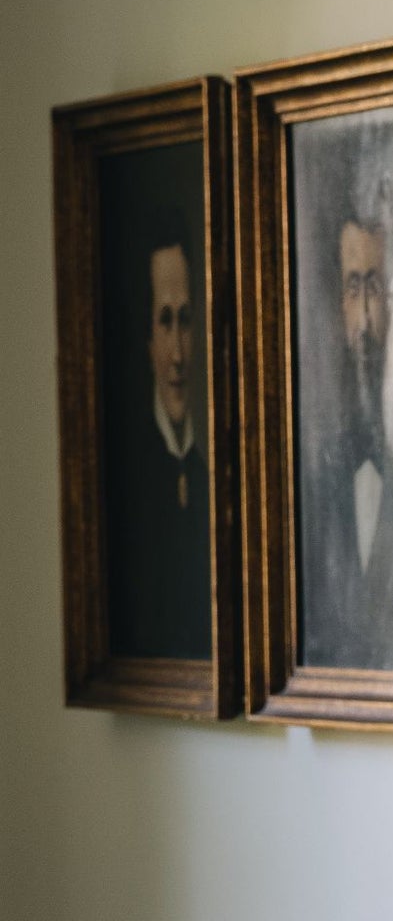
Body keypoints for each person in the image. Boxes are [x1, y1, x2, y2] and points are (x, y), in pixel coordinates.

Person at [299, 198, 393, 669]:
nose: (367, 318)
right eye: (355, 288)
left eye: (376, 285)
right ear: (339, 304)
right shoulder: (317, 468)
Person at [107, 230, 211, 661]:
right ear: (148, 341)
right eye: (165, 321)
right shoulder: (126, 479)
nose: (178, 355)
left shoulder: (207, 473)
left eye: (185, 321)